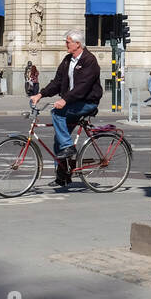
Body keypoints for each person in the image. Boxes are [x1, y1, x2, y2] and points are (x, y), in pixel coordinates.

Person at [31, 30, 102, 188]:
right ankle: (63, 176)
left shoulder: (89, 60)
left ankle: (69, 148)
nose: (66, 44)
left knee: (57, 113)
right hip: (72, 102)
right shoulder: (67, 60)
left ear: (78, 44)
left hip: (87, 102)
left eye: (68, 41)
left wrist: (64, 100)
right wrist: (40, 94)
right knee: (58, 139)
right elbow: (57, 82)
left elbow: (83, 87)